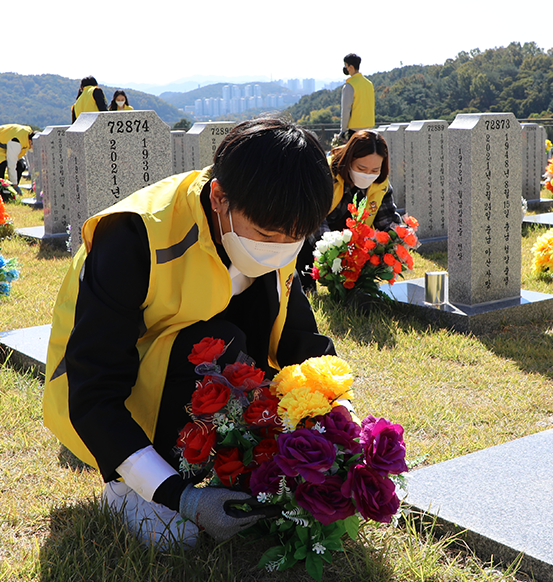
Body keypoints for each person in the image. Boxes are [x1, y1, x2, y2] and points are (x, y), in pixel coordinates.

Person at [43, 118, 337, 549]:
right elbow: (93, 388)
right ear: (218, 197)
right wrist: (177, 497)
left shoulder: (274, 226)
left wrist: (338, 421)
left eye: (295, 238)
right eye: (266, 235)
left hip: (178, 371)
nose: (280, 249)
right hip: (103, 393)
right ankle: (127, 489)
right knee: (216, 344)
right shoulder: (135, 234)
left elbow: (299, 339)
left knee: (235, 345)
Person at [295, 130, 400, 291]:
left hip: (353, 240)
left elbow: (387, 220)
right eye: (361, 168)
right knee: (304, 243)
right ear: (349, 159)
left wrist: (395, 244)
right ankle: (306, 287)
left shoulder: (381, 184)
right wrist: (331, 248)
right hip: (315, 232)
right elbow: (314, 217)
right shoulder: (324, 172)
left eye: (374, 170)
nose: (367, 175)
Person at [339, 53, 375, 140]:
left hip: (355, 129)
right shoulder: (369, 84)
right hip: (369, 128)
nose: (345, 69)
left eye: (346, 66)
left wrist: (343, 131)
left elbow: (346, 110)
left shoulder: (349, 86)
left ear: (351, 67)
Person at [0, 124, 35, 195]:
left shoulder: (28, 134)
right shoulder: (17, 141)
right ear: (30, 141)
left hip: (5, 147)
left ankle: (10, 190)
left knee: (21, 165)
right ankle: (3, 193)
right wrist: (15, 185)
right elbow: (11, 164)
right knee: (2, 166)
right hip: (2, 147)